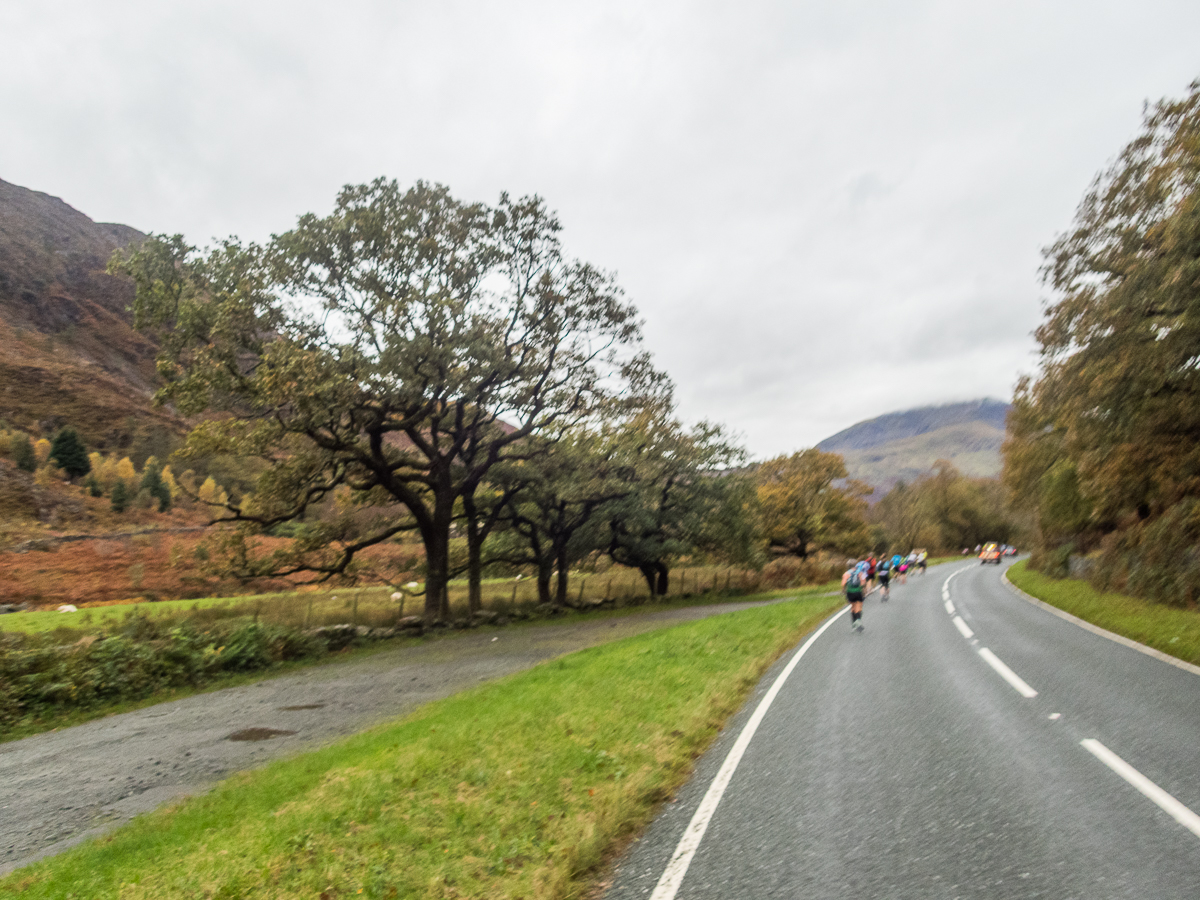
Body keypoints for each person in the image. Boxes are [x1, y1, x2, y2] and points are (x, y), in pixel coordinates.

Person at [843, 559, 866, 632]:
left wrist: (844, 591)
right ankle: (858, 622)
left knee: (853, 607)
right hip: (858, 591)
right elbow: (863, 582)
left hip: (850, 592)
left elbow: (843, 584)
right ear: (855, 565)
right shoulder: (860, 573)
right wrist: (864, 591)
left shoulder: (846, 574)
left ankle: (853, 623)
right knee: (858, 607)